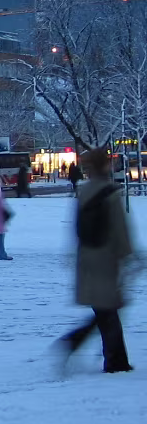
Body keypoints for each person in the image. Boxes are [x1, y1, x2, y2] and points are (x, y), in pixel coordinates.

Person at [57, 149, 136, 374]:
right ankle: (113, 360)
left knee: (104, 309)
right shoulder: (110, 192)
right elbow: (120, 230)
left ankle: (110, 356)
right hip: (106, 257)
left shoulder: (84, 191)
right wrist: (127, 256)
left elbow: (76, 227)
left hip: (88, 256)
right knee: (109, 309)